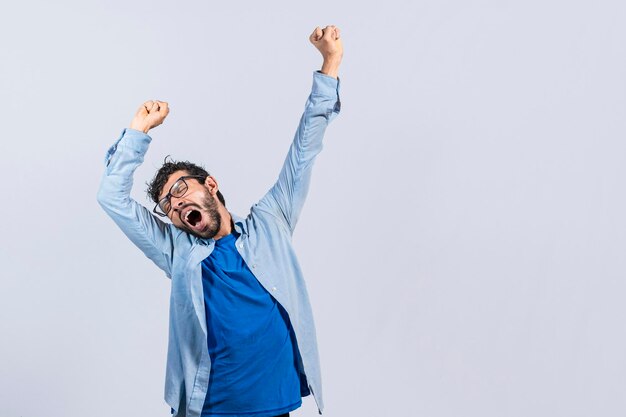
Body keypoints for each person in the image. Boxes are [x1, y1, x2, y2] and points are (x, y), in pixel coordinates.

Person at [97, 25, 343, 417]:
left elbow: (305, 149)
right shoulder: (176, 250)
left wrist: (330, 64)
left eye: (180, 191)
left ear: (210, 185)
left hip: (277, 405)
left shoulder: (270, 221)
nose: (175, 207)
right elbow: (111, 196)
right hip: (213, 410)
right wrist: (138, 132)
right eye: (167, 207)